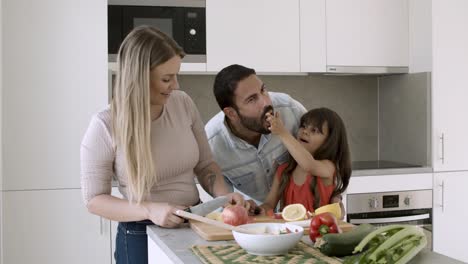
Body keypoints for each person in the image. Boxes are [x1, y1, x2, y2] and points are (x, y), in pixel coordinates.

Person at [80, 26, 244, 264]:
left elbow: (206, 165)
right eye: (167, 79)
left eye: (176, 75)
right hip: (139, 234)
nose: (175, 85)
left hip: (195, 223)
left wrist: (225, 196)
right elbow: (94, 200)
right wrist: (150, 210)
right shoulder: (105, 125)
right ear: (139, 78)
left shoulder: (183, 104)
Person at [205, 65, 307, 208]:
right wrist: (235, 205)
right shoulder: (211, 145)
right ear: (231, 113)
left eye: (263, 90)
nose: (266, 102)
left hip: (302, 210)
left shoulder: (291, 110)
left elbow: (324, 151)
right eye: (252, 99)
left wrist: (335, 193)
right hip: (257, 217)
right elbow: (226, 200)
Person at [260, 108, 352, 214]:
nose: (305, 131)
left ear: (329, 142)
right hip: (291, 230)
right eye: (303, 126)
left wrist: (282, 132)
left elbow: (308, 165)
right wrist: (256, 210)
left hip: (320, 230)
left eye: (314, 130)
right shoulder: (283, 170)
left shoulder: (328, 167)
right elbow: (269, 205)